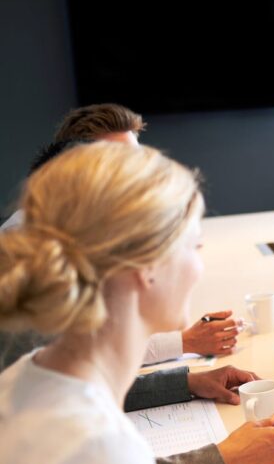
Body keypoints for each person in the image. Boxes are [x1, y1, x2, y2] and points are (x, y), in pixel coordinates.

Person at [0, 141, 230, 464]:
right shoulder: (95, 456)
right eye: (195, 244)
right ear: (146, 267)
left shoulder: (23, 381)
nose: (201, 264)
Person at [2, 103, 240, 358]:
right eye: (119, 165)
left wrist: (188, 377)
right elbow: (78, 363)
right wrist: (185, 344)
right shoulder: (28, 251)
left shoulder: (90, 236)